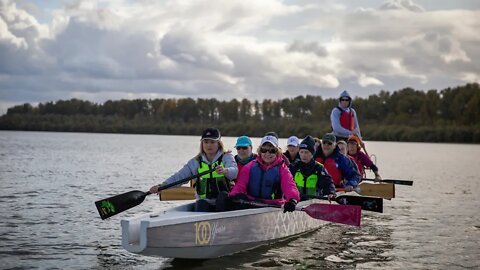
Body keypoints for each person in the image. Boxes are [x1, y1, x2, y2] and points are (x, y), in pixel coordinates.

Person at [149, 128, 238, 212]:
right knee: (201, 204)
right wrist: (162, 186)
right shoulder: (195, 162)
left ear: (218, 143)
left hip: (223, 201)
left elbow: (234, 172)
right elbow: (179, 177)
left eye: (212, 142)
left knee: (222, 198)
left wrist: (225, 170)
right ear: (202, 144)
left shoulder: (226, 157)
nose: (209, 145)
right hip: (204, 201)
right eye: (206, 142)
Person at [226, 135, 300, 212]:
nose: (267, 154)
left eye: (272, 151)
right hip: (252, 203)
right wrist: (232, 196)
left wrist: (292, 199)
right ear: (260, 151)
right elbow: (240, 186)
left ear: (277, 152)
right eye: (264, 150)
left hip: (273, 206)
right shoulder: (249, 167)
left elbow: (289, 186)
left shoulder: (283, 169)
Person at [289, 135, 336, 201]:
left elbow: (328, 183)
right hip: (297, 202)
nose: (303, 155)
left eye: (306, 152)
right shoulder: (293, 167)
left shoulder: (319, 168)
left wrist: (331, 193)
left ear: (312, 154)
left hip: (314, 202)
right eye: (301, 152)